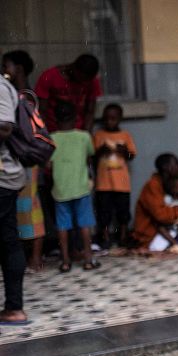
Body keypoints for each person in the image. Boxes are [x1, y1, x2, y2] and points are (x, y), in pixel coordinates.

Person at [3, 50, 45, 273]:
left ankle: (35, 257)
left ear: (17, 69)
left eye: (5, 66)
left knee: (28, 206)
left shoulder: (25, 95)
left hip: (24, 160)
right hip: (16, 159)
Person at [48, 102, 99, 272]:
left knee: (63, 226)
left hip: (60, 189)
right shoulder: (84, 137)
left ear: (55, 119)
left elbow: (47, 164)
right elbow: (90, 155)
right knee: (84, 225)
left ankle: (65, 261)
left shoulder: (52, 138)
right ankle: (88, 259)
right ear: (76, 118)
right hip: (81, 187)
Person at [0, 57, 29, 326]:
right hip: (6, 177)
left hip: (2, 177)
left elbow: (4, 127)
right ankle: (13, 307)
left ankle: (14, 308)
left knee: (8, 242)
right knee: (7, 240)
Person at [93, 103, 136, 249]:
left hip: (122, 183)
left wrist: (124, 150)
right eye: (107, 118)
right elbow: (93, 156)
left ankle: (123, 236)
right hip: (103, 183)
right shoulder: (99, 135)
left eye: (113, 118)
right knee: (104, 212)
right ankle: (105, 236)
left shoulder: (125, 135)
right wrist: (101, 150)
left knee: (123, 212)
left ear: (119, 119)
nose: (110, 121)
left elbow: (131, 155)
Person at [34, 54, 102, 133]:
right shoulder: (49, 76)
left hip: (77, 131)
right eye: (81, 79)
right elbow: (42, 110)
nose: (83, 83)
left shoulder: (92, 81)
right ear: (74, 68)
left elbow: (90, 111)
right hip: (52, 130)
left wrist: (86, 134)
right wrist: (44, 133)